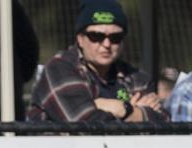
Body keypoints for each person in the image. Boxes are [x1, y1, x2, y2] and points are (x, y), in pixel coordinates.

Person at [28, 1, 166, 123]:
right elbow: (83, 123)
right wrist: (132, 111)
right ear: (80, 39)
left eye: (115, 37)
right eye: (96, 36)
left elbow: (165, 123)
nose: (106, 44)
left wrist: (119, 109)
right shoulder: (59, 69)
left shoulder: (136, 77)